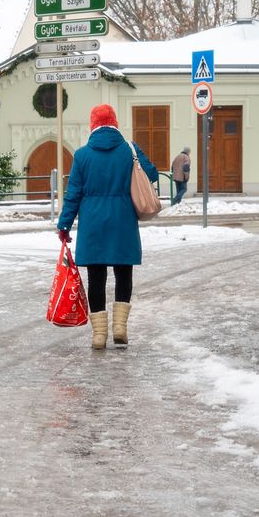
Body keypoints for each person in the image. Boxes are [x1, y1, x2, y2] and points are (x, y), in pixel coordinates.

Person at [56, 104, 159, 350]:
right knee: (123, 273)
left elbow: (73, 194)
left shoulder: (82, 155)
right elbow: (152, 174)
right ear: (115, 123)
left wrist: (64, 224)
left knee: (96, 277)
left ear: (92, 125)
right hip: (123, 220)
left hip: (93, 224)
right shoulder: (129, 150)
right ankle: (120, 328)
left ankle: (99, 335)